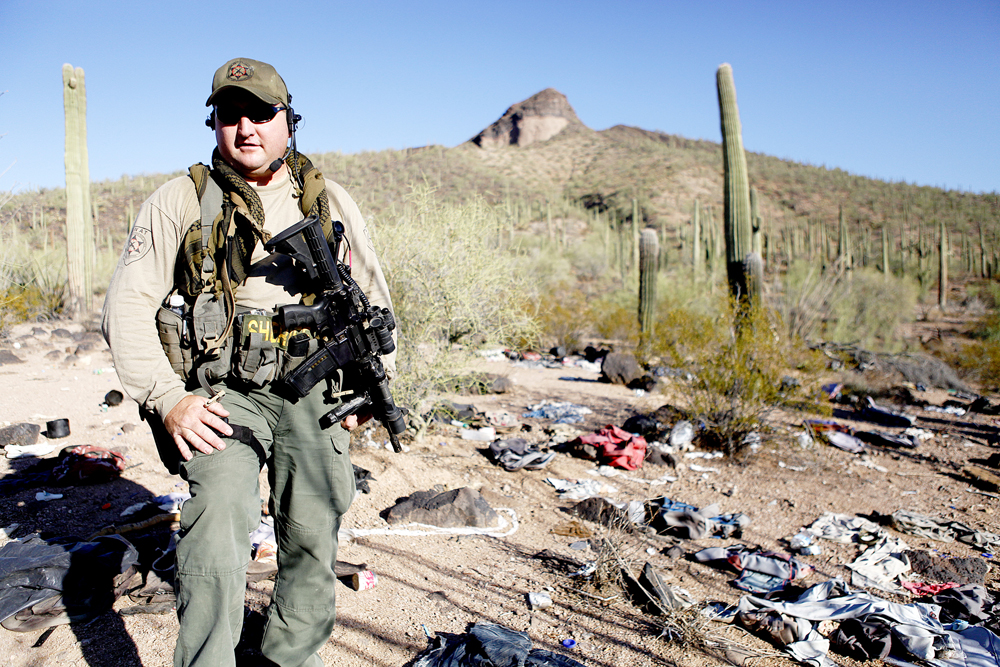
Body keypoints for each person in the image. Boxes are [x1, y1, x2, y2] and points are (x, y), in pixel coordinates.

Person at [102, 57, 395, 667]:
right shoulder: (181, 201)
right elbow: (125, 309)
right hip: (223, 393)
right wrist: (169, 399)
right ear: (214, 124)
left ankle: (291, 657)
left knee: (313, 533)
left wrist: (374, 384)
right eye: (230, 115)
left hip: (315, 390)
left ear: (289, 121)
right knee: (216, 521)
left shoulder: (329, 201)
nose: (246, 128)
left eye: (261, 113)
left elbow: (373, 298)